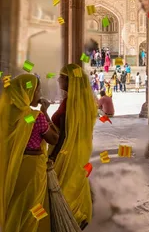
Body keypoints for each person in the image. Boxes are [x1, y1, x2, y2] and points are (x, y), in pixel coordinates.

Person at [0, 74, 59, 232]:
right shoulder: (35, 117)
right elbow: (53, 138)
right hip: (32, 170)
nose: (39, 95)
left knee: (15, 204)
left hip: (11, 166)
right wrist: (45, 112)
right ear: (29, 93)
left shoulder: (6, 114)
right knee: (32, 205)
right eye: (38, 91)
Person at [46, 64, 97, 230]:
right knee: (75, 181)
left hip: (66, 151)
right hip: (80, 150)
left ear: (70, 81)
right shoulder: (85, 100)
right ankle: (78, 216)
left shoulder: (70, 103)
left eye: (62, 77)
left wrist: (53, 157)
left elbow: (64, 135)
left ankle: (70, 219)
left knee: (64, 185)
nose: (59, 80)